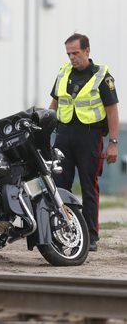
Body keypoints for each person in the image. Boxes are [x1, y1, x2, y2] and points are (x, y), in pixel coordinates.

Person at [49, 33, 119, 252]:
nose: (72, 58)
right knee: (59, 186)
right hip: (63, 135)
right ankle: (63, 231)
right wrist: (43, 131)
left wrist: (113, 142)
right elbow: (54, 104)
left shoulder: (102, 76)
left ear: (87, 51)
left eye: (76, 53)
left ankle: (90, 235)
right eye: (69, 54)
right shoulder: (63, 73)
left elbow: (112, 110)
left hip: (89, 137)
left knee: (89, 186)